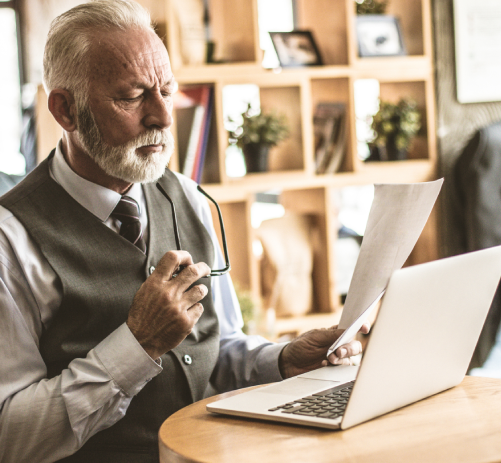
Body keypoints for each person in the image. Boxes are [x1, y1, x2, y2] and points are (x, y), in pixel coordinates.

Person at [0, 1, 366, 462]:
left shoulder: (189, 197)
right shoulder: (10, 241)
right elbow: (10, 436)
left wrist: (283, 359)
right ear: (66, 110)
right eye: (132, 97)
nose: (163, 117)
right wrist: (138, 345)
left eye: (167, 91)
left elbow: (219, 347)